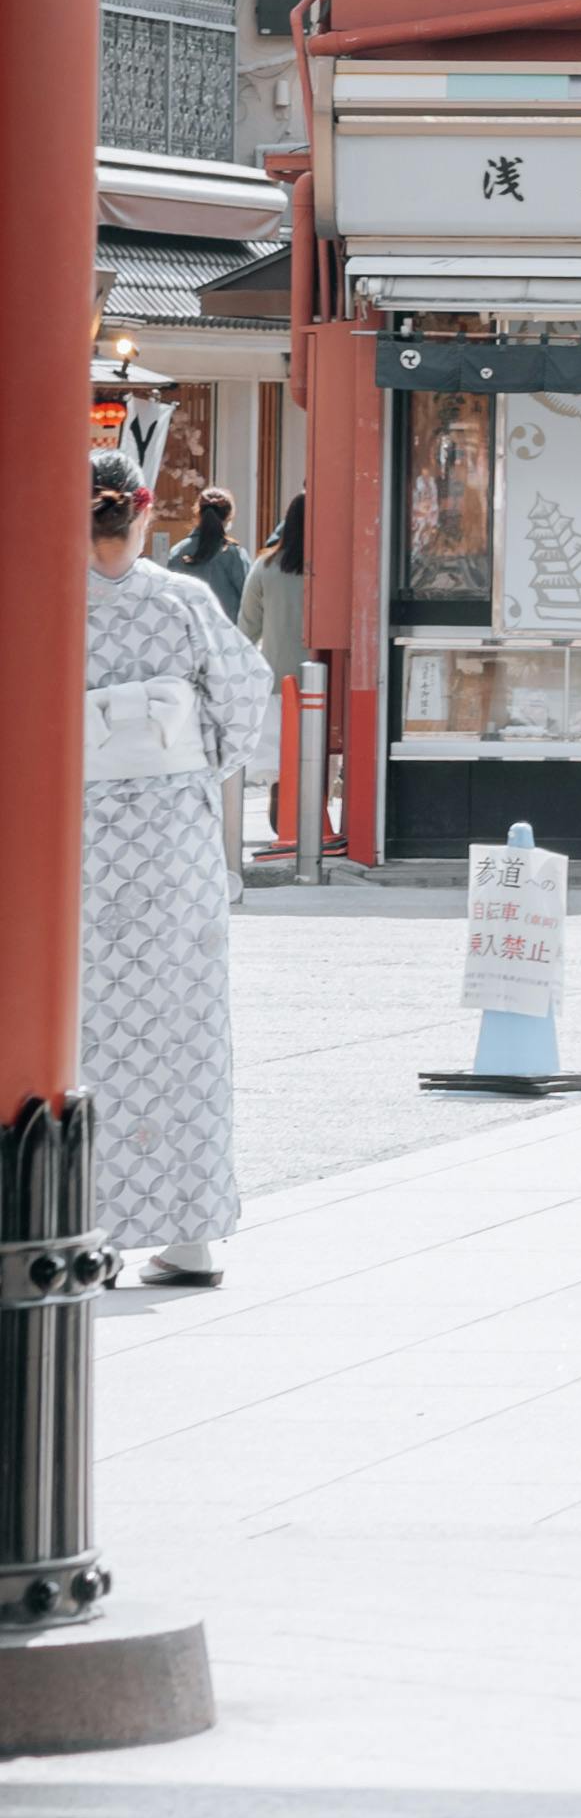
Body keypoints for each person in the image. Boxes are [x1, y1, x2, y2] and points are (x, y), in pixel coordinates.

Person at [82, 456, 277, 1285]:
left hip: (81, 839)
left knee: (88, 1032)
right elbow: (244, 698)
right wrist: (193, 773)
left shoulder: (41, 599)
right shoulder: (185, 600)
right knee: (185, 1029)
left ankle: (89, 1224)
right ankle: (190, 1232)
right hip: (173, 843)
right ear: (147, 509)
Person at [237, 489, 307, 695]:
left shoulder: (265, 567)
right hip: (327, 678)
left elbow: (246, 630)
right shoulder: (335, 571)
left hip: (277, 682)